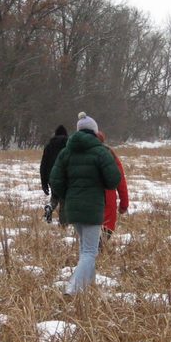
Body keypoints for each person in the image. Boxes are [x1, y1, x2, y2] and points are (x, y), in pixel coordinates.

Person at [49, 112, 121, 295]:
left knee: (85, 251)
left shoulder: (66, 152)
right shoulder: (101, 152)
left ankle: (88, 288)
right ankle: (72, 290)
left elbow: (55, 180)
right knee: (90, 251)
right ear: (95, 132)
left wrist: (68, 194)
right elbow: (114, 180)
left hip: (72, 208)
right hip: (93, 207)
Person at [97, 130, 129, 247]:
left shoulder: (75, 153)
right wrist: (124, 204)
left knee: (86, 233)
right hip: (107, 199)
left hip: (82, 201)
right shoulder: (109, 153)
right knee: (106, 230)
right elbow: (120, 181)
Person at [39, 124, 68, 224]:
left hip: (51, 177)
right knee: (64, 200)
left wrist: (44, 182)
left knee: (55, 196)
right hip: (64, 177)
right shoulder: (68, 145)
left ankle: (50, 207)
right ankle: (63, 224)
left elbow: (43, 165)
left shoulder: (49, 146)